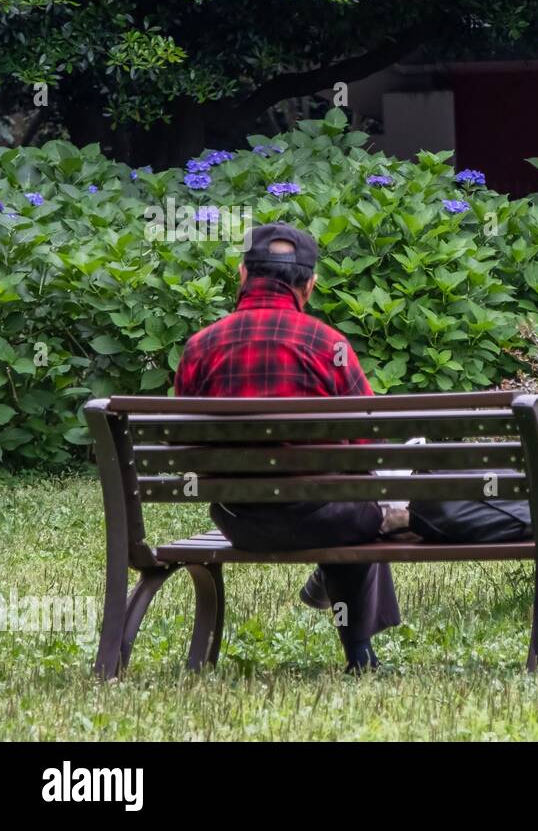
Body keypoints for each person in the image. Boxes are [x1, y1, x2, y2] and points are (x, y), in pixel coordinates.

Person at [174, 222, 407, 673]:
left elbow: (185, 440)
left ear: (243, 274)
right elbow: (368, 440)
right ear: (310, 284)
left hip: (240, 521)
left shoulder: (200, 346)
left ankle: (332, 591)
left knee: (354, 502)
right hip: (327, 519)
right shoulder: (329, 345)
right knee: (359, 504)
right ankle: (359, 654)